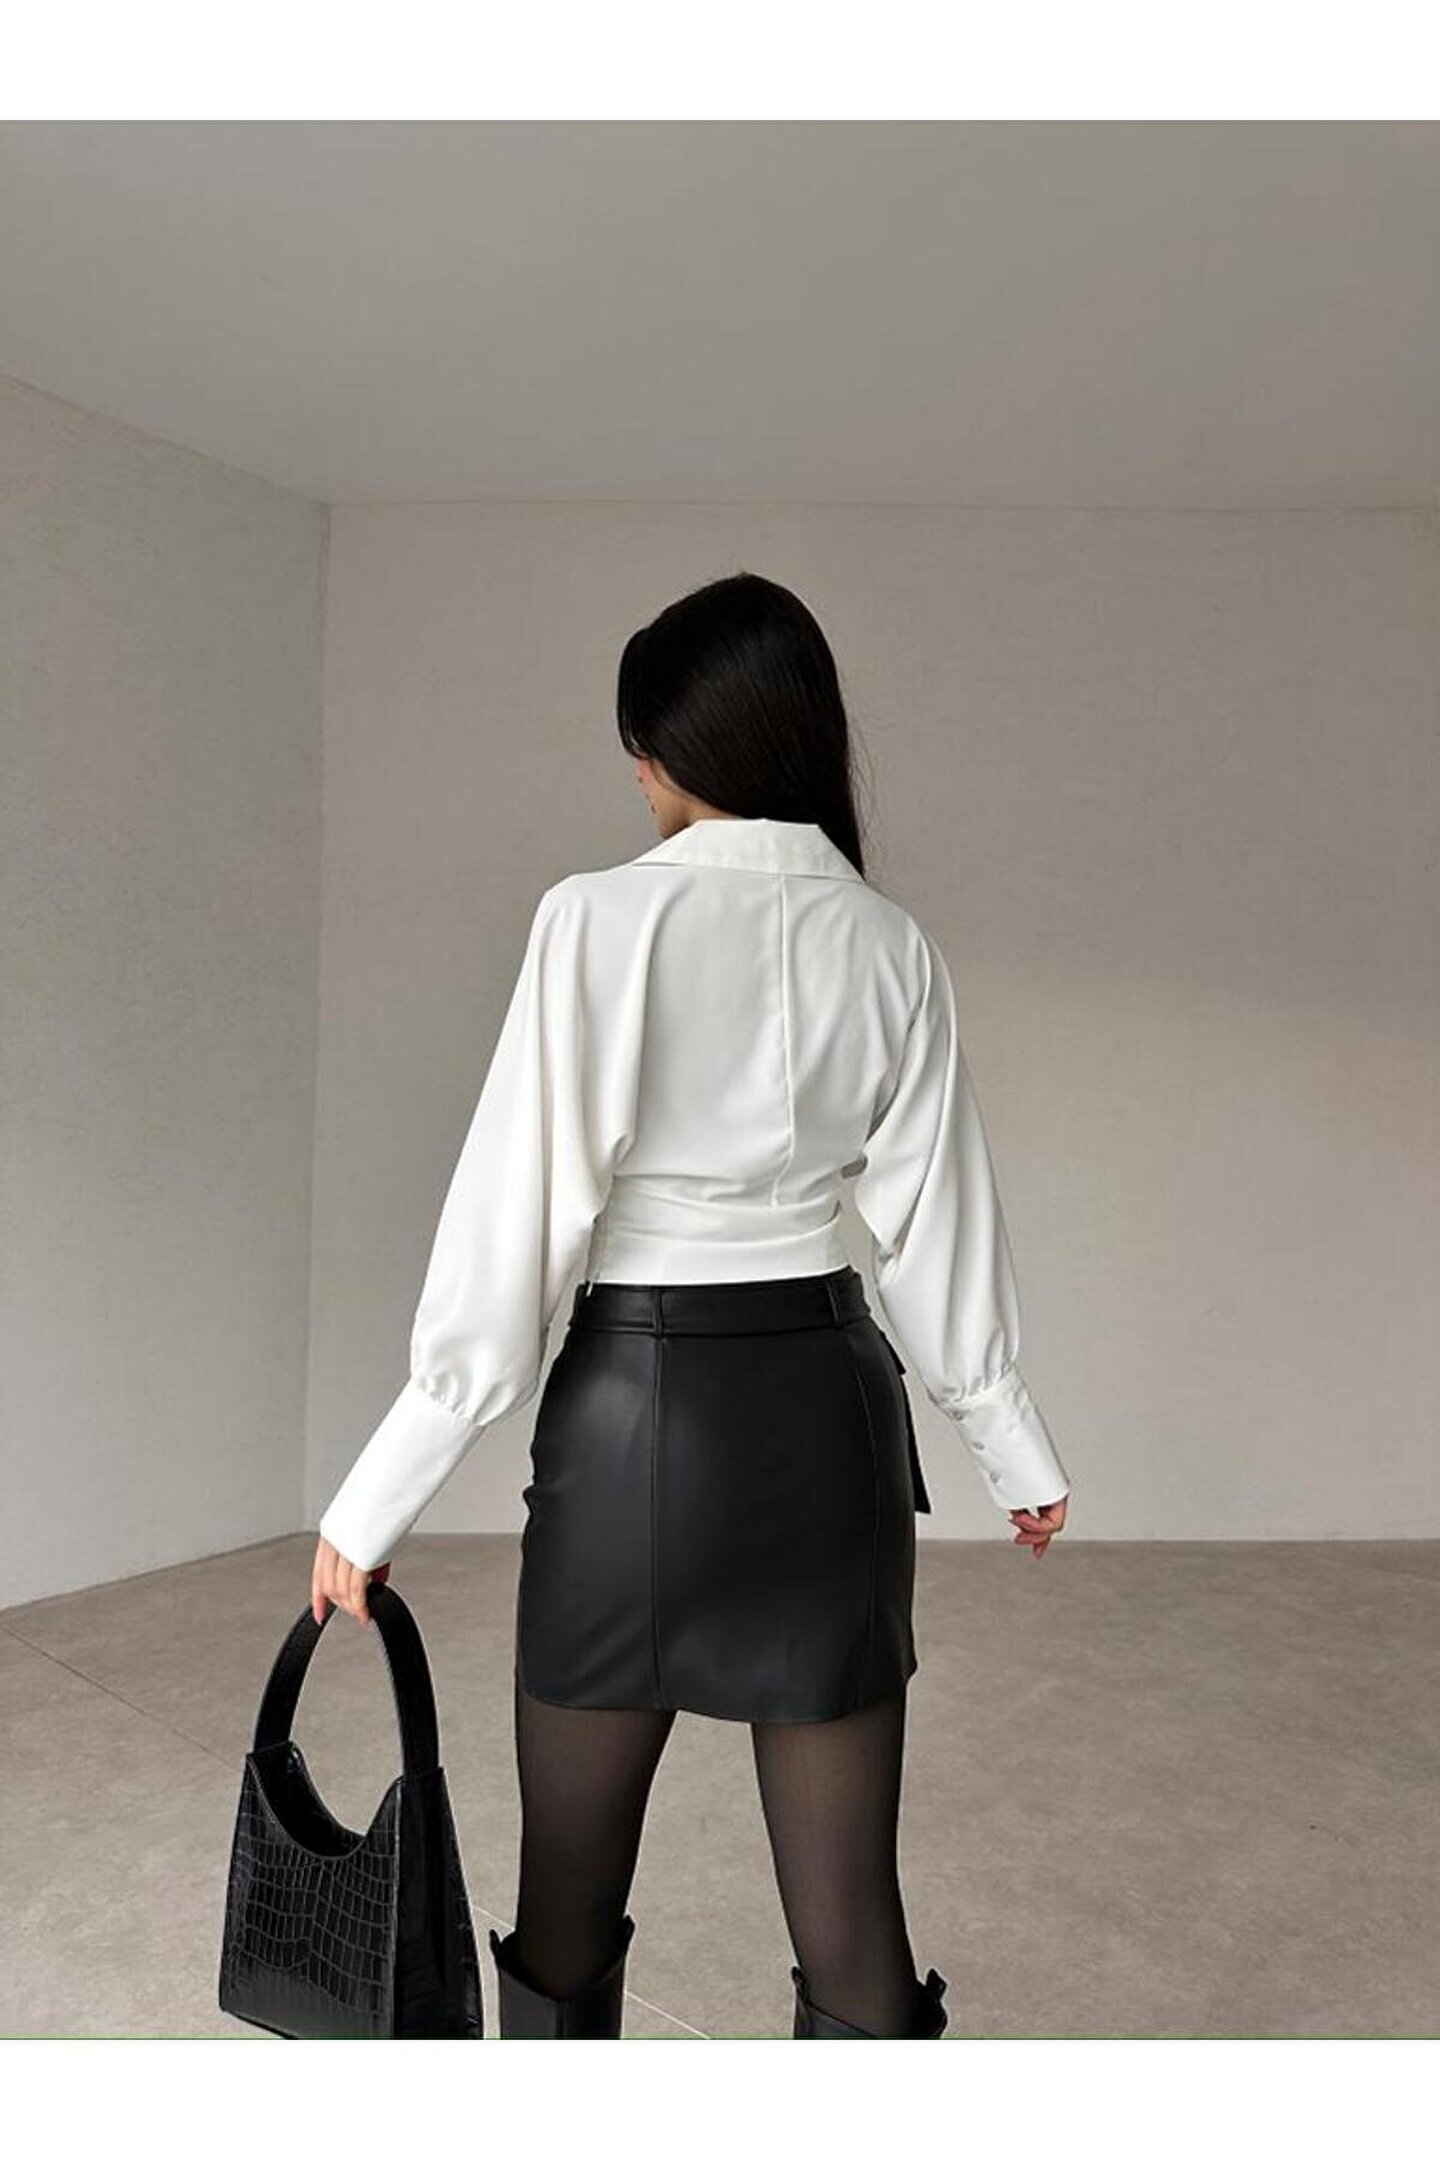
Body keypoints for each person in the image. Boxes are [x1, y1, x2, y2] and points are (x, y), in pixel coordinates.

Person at [311, 570, 1071, 2039]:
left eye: (641, 747)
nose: (638, 776)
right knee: (854, 1918)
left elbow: (516, 1228)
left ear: (678, 749)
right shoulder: (891, 944)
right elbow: (937, 1227)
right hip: (830, 1415)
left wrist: (380, 1490)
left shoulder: (595, 920)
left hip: (635, 1426)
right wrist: (1012, 1445)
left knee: (564, 1903)